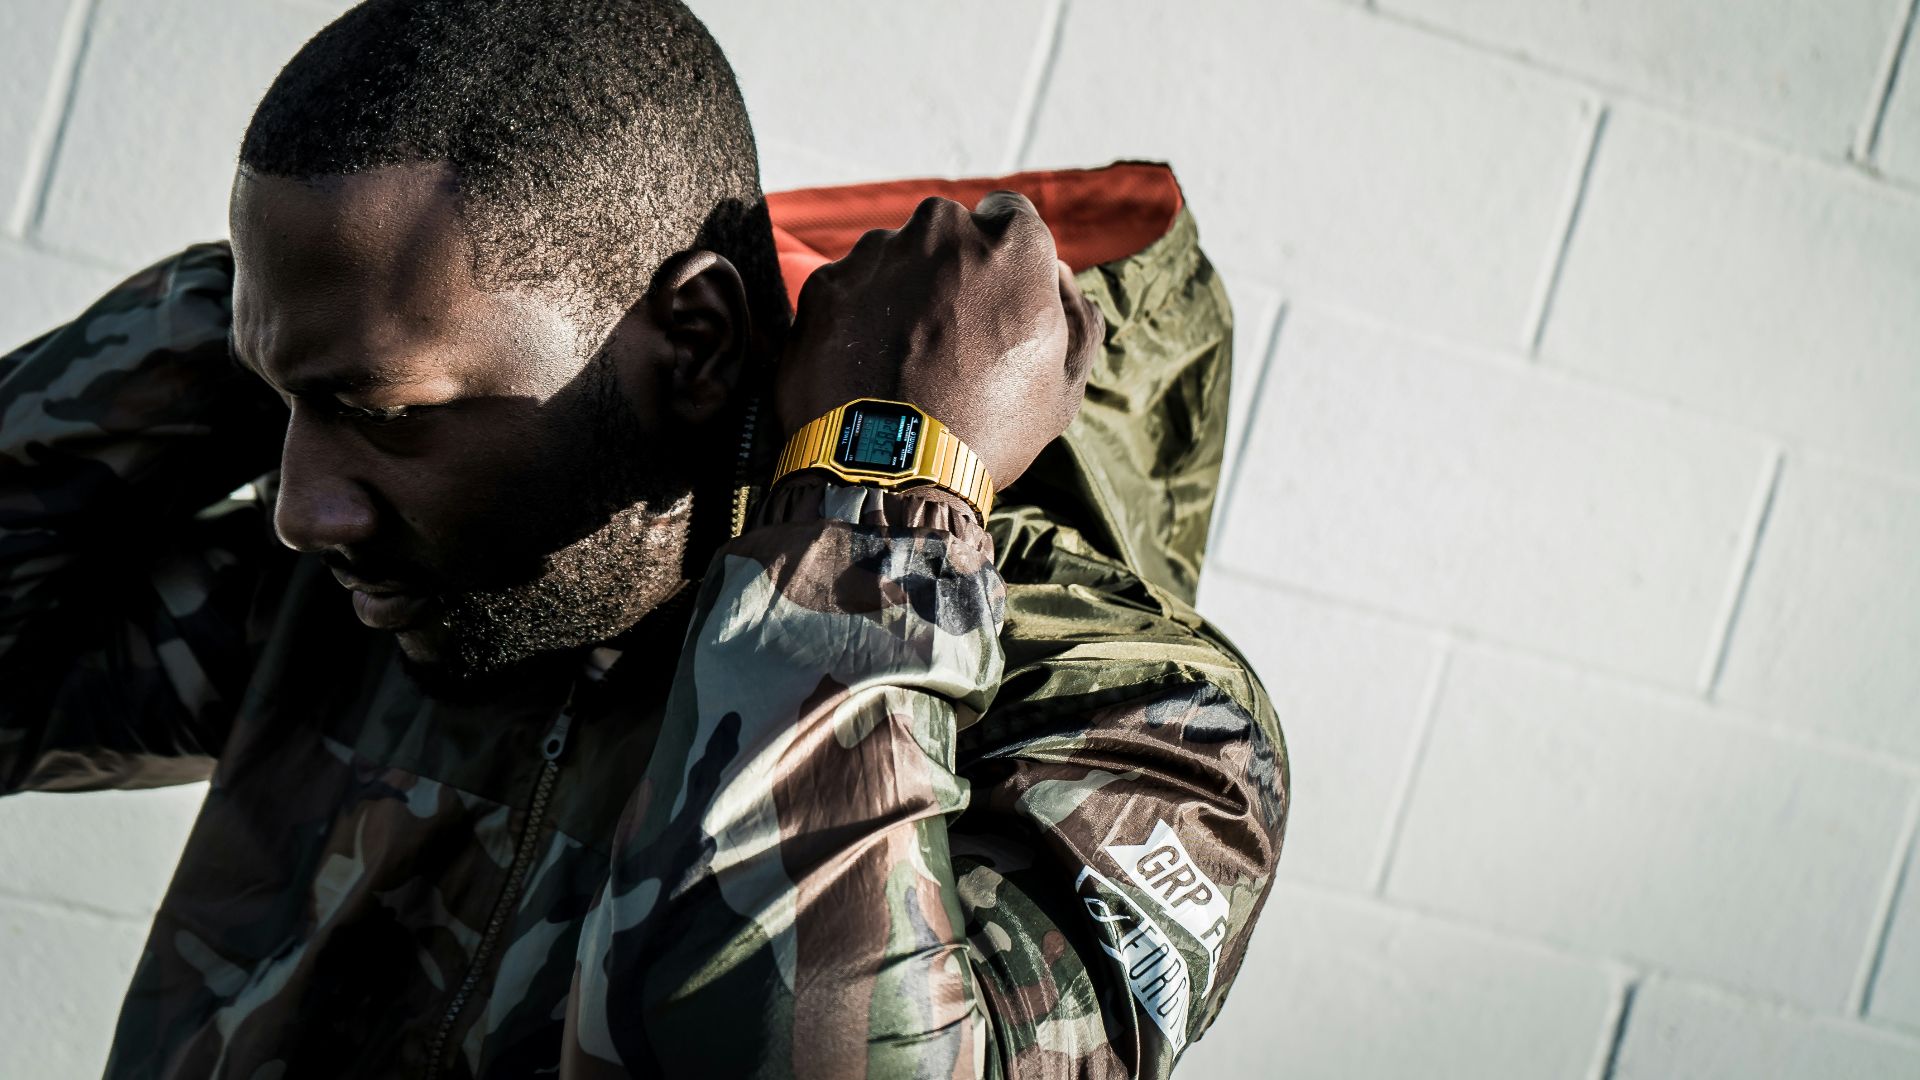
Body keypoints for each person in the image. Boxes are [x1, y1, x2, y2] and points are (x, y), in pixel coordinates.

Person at [0, 0, 1288, 1076]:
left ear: (699, 342)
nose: (298, 507)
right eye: (288, 410)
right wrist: (281, 310)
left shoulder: (1142, 716)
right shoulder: (375, 583)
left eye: (380, 412)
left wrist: (876, 505)